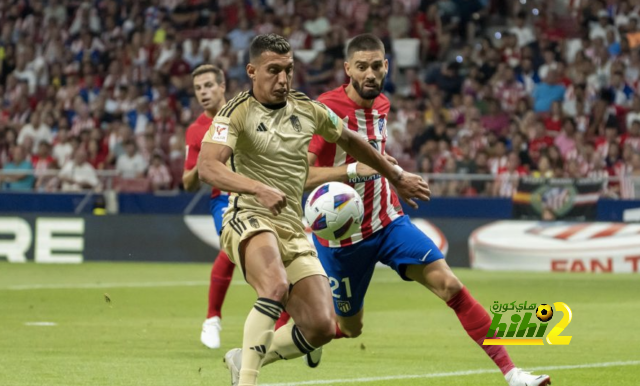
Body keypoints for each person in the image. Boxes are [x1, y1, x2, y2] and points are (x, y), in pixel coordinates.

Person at [305, 34, 551, 386]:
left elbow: (377, 161)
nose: (371, 73)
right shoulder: (325, 111)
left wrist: (395, 176)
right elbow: (303, 175)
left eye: (377, 65)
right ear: (347, 69)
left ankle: (513, 374)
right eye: (362, 67)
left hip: (389, 223)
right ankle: (313, 335)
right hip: (344, 240)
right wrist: (352, 171)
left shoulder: (382, 106)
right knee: (349, 327)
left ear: (387, 65)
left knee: (450, 285)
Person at [197, 34, 429, 386]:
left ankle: (243, 357)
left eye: (288, 70)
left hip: (292, 225)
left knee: (322, 326)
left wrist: (395, 175)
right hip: (248, 215)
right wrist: (257, 188)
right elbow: (208, 167)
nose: (283, 79)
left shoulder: (308, 109)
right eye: (273, 71)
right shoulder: (236, 112)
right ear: (252, 71)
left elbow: (353, 141)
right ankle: (247, 380)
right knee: (274, 286)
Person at [183, 64, 290, 349]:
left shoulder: (244, 111)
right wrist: (201, 164)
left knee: (285, 253)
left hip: (262, 192)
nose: (203, 92)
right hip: (225, 198)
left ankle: (286, 328)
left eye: (208, 85)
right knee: (234, 246)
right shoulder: (195, 131)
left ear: (222, 86)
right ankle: (212, 318)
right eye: (198, 88)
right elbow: (188, 183)